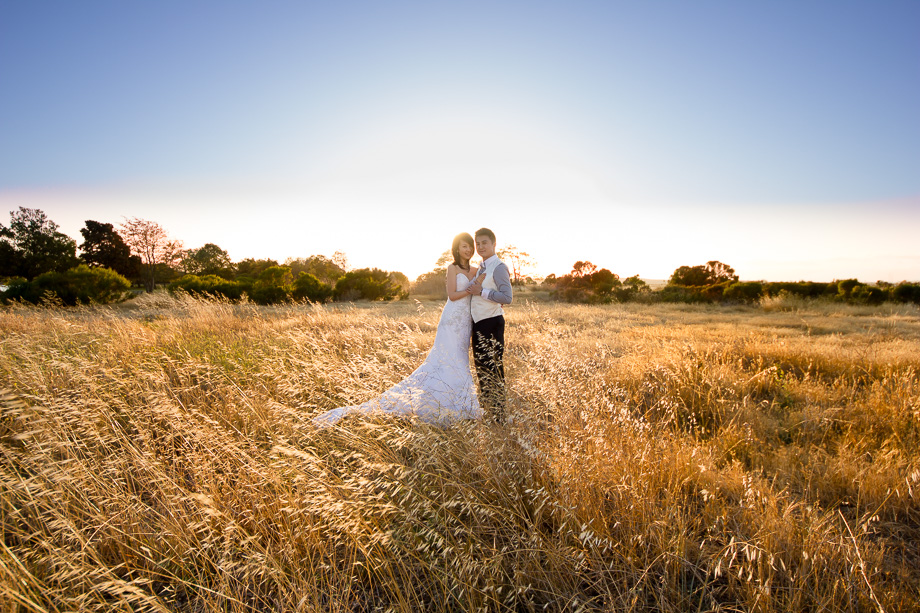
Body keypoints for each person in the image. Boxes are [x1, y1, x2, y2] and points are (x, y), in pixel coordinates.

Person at [313, 233, 484, 426]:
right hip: (451, 318)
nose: (468, 250)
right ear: (457, 248)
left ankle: (461, 405)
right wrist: (470, 290)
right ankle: (436, 404)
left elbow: (481, 293)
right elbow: (452, 295)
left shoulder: (477, 269)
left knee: (461, 360)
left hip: (466, 321)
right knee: (444, 358)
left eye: (470, 246)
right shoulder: (452, 268)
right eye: (464, 246)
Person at [466, 228, 512, 423]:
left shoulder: (499, 267)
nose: (481, 246)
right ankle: (488, 411)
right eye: (478, 243)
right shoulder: (481, 266)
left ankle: (500, 416)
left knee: (493, 368)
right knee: (482, 368)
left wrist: (481, 291)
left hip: (492, 323)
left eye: (485, 242)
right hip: (479, 324)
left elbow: (507, 297)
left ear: (494, 244)